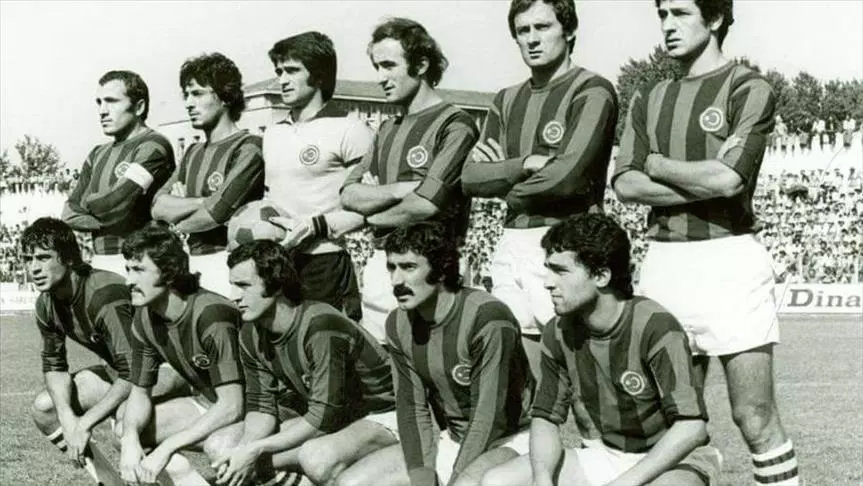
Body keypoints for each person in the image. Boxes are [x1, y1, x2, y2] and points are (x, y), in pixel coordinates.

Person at [613, 1, 800, 484]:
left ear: (714, 18)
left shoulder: (748, 88)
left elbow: (729, 179)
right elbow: (625, 183)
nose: (668, 25)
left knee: (753, 416)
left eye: (680, 13)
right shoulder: (648, 95)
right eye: (662, 14)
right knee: (667, 424)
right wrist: (703, 179)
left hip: (729, 259)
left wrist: (657, 164)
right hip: (663, 262)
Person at [481, 214, 721, 486]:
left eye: (560, 271)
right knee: (498, 481)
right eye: (548, 269)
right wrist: (542, 477)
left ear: (601, 276)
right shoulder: (557, 331)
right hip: (608, 454)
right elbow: (545, 418)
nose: (547, 282)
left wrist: (625, 483)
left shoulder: (656, 327)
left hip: (674, 459)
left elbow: (692, 427)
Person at [461, 0, 618, 378]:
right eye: (523, 30)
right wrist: (524, 164)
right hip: (511, 241)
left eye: (542, 27)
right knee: (524, 374)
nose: (532, 39)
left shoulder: (592, 90)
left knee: (582, 371)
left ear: (569, 30)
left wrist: (506, 185)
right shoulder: (505, 99)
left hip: (568, 240)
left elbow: (568, 176)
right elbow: (469, 178)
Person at [338, 222, 535, 486]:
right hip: (454, 437)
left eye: (409, 267)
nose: (396, 281)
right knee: (350, 483)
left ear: (442, 269)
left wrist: (456, 475)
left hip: (511, 438)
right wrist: (422, 476)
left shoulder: (486, 318)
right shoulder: (398, 323)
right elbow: (412, 408)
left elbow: (490, 417)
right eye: (392, 267)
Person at [205, 240, 398, 486]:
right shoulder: (250, 332)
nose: (234, 297)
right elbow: (262, 405)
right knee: (222, 447)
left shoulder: (321, 326)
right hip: (337, 415)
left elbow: (324, 416)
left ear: (276, 284)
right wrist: (245, 448)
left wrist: (256, 450)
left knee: (316, 458)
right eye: (233, 285)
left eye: (244, 286)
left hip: (386, 413)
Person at [341, 18, 479, 342]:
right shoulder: (386, 129)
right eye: (377, 67)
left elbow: (425, 205)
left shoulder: (455, 125)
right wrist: (400, 190)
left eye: (389, 65)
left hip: (432, 268)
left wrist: (369, 214)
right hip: (382, 263)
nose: (380, 78)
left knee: (437, 359)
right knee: (383, 361)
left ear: (421, 64)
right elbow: (347, 194)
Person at [21, 217, 160, 485]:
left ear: (68, 258)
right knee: (45, 408)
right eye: (28, 259)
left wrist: (84, 424)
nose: (33, 268)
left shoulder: (103, 295)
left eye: (43, 258)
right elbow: (54, 365)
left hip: (162, 371)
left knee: (126, 423)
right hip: (124, 373)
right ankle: (109, 482)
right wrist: (67, 417)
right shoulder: (46, 303)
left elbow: (135, 371)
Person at [118, 223, 244, 485]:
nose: (129, 281)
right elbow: (140, 393)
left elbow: (233, 405)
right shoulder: (144, 317)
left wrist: (166, 448)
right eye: (128, 269)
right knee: (127, 428)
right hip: (212, 403)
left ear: (169, 272)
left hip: (262, 410)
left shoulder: (211, 315)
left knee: (220, 447)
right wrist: (129, 437)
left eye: (139, 270)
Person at [261, 31, 374, 322]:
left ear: (320, 75)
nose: (282, 80)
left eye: (292, 71)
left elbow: (369, 207)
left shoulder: (351, 129)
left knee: (324, 342)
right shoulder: (273, 133)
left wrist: (317, 227)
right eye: (279, 71)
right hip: (277, 263)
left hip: (324, 261)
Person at [151, 52, 265, 298]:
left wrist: (179, 210)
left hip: (230, 265)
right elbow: (157, 206)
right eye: (186, 95)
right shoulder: (192, 151)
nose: (188, 103)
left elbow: (216, 214)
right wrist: (203, 201)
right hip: (190, 261)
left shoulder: (249, 147)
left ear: (225, 96)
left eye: (197, 93)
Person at [62, 70, 175, 275]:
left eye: (111, 101)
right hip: (100, 260)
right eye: (99, 102)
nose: (102, 111)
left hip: (144, 261)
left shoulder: (153, 145)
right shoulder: (97, 153)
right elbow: (69, 213)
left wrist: (89, 206)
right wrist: (117, 214)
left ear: (139, 107)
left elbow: (115, 204)